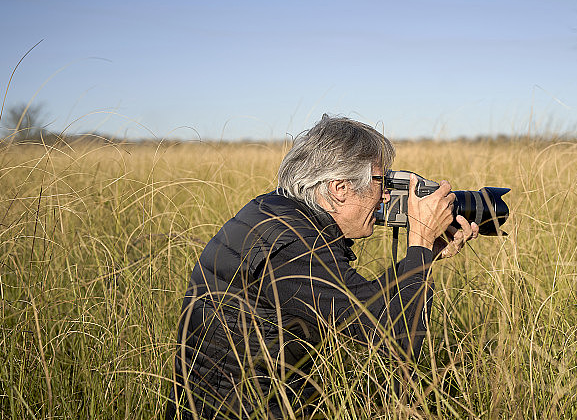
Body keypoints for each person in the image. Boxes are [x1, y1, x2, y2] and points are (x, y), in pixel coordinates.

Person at [166, 115, 478, 419]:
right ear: (339, 188)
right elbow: (392, 340)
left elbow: (361, 304)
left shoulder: (273, 213)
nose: (385, 197)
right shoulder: (293, 245)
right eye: (382, 182)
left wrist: (426, 254)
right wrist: (419, 242)